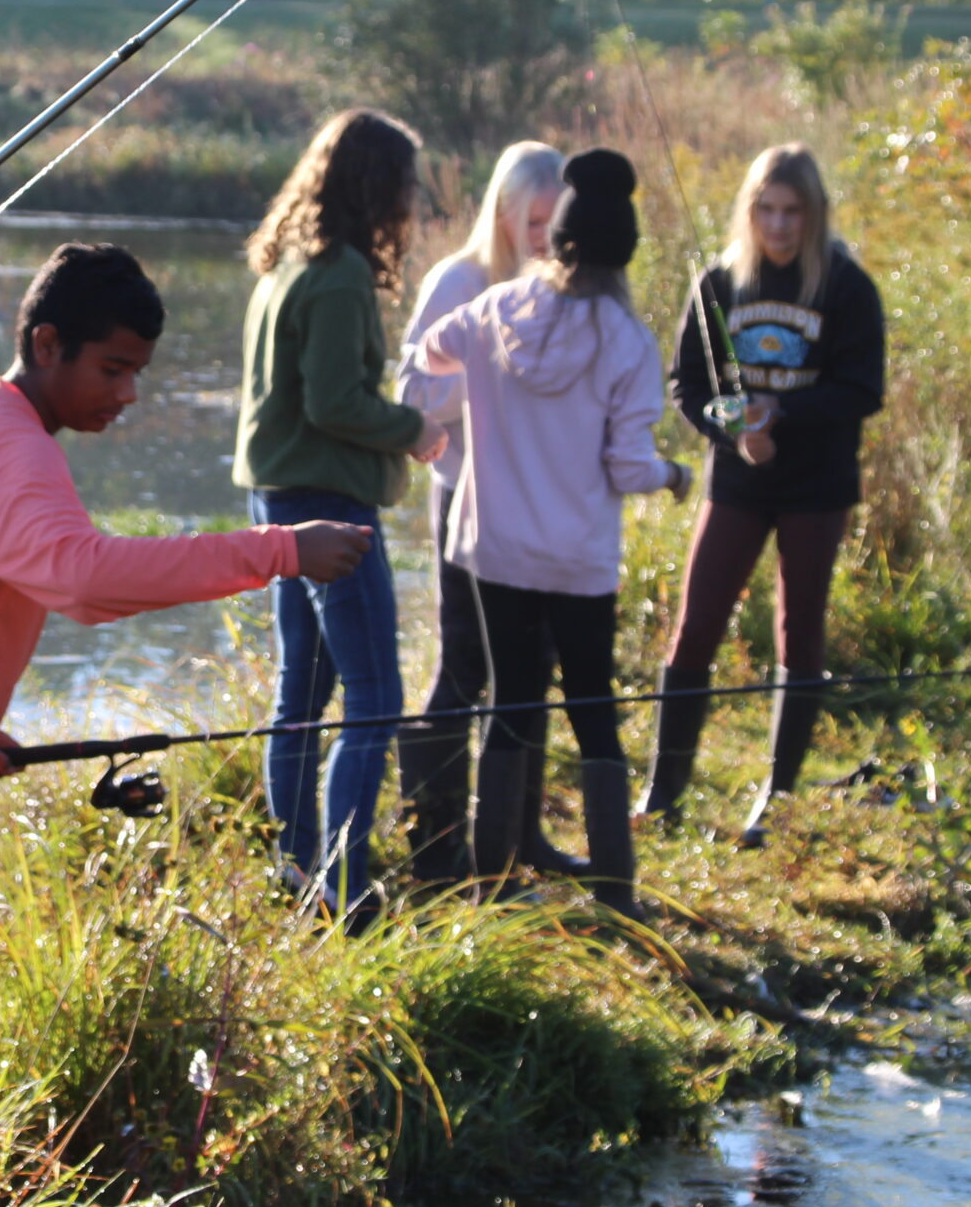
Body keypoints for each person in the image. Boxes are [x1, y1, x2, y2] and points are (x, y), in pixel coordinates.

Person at [0, 243, 372, 1101]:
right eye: (113, 367)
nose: (127, 393)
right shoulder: (9, 445)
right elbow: (84, 579)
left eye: (139, 372)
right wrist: (281, 549)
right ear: (47, 343)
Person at [415, 148, 692, 914]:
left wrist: (469, 403)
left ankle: (492, 883)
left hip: (493, 548)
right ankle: (616, 892)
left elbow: (428, 352)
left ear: (557, 242)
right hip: (577, 560)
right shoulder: (627, 343)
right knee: (593, 705)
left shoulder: (495, 311)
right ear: (624, 251)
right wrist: (676, 476)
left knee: (512, 701)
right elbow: (628, 467)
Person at [234, 109, 447, 917]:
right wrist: (414, 427)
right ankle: (345, 887)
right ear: (375, 187)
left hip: (278, 492)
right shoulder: (341, 273)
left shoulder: (286, 260)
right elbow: (333, 401)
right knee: (375, 696)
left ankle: (296, 870)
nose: (412, 199)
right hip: (326, 502)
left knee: (304, 691)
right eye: (404, 184)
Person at [641, 143, 884, 846]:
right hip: (739, 481)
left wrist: (782, 415)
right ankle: (664, 791)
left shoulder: (844, 286)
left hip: (817, 484)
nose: (779, 226)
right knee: (696, 622)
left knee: (798, 630)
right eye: (767, 210)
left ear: (813, 215)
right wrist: (727, 427)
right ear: (750, 211)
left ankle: (774, 801)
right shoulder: (719, 281)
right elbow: (688, 383)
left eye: (792, 212)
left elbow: (863, 387)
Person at [392, 140, 573, 885]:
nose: (544, 238)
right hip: (469, 505)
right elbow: (412, 395)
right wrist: (494, 373)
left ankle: (520, 839)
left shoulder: (566, 286)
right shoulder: (457, 281)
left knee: (533, 672)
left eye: (555, 222)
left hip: (546, 509)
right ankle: (435, 853)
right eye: (533, 222)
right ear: (499, 212)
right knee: (465, 669)